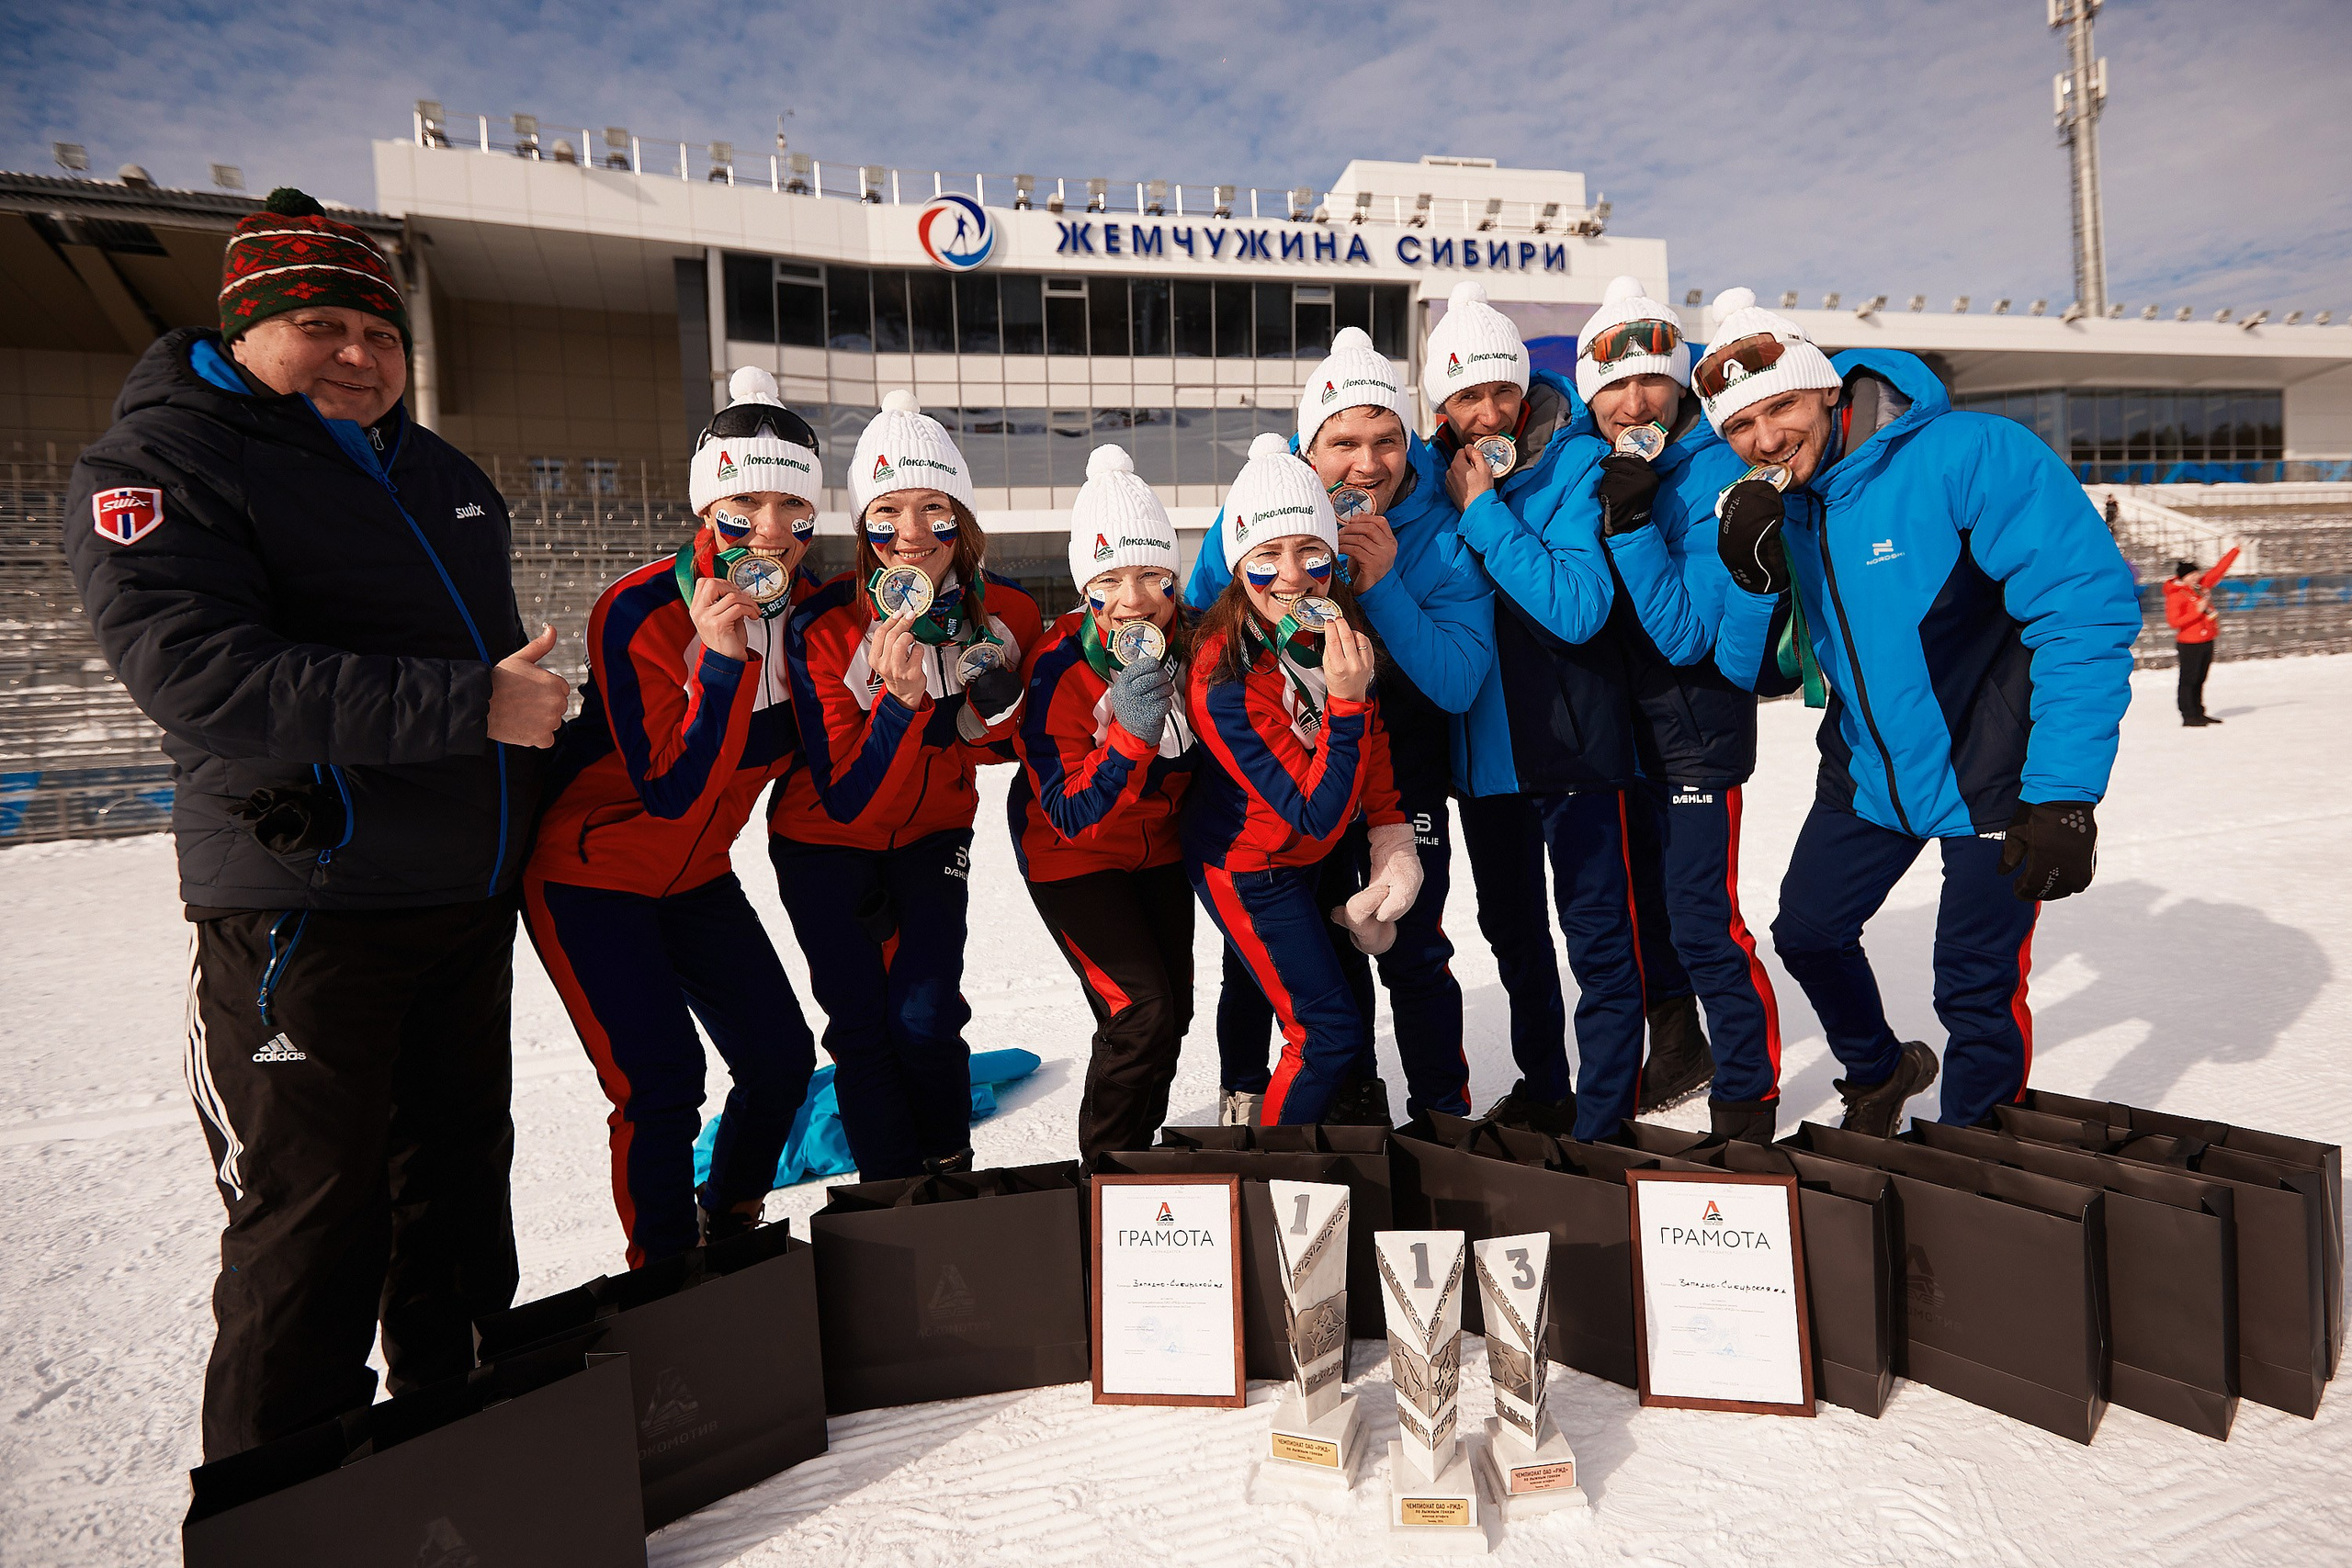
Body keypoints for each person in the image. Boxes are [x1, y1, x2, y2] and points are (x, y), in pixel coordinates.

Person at [62, 188, 568, 1459]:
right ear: (244, 329)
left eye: (381, 333)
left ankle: (464, 1455)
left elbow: (505, 681)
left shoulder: (439, 473)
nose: (359, 354)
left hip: (459, 901)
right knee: (310, 1219)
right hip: (308, 903)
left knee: (455, 1195)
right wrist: (473, 704)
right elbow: (200, 674)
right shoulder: (163, 461)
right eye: (322, 325)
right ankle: (282, 1503)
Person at [1701, 287, 2141, 1133]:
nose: (1765, 439)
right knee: (1809, 931)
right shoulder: (1778, 507)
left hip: (1991, 767)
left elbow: (2085, 611)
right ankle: (1880, 1070)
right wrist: (1753, 578)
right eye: (1740, 426)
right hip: (1869, 770)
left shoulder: (1970, 452)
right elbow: (1756, 675)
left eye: (1781, 407)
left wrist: (2064, 791)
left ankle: (1975, 1156)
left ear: (1826, 387)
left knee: (1975, 988)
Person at [522, 367, 822, 1267]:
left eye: (793, 508)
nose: (770, 531)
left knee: (780, 1059)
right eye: (744, 507)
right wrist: (722, 663)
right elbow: (671, 790)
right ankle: (664, 1277)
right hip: (590, 875)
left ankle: (726, 1218)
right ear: (707, 508)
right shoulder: (641, 608)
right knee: (660, 1082)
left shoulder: (813, 616)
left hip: (695, 877)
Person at [1183, 327, 1494, 1126]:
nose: (1367, 464)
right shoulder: (1266, 512)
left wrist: (1382, 586)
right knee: (1305, 952)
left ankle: (1441, 1115)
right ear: (1308, 447)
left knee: (1411, 943)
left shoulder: (1444, 527)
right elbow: (1203, 622)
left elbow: (1458, 682)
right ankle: (1336, 1100)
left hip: (1397, 762)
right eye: (1343, 443)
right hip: (1290, 774)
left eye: (1386, 440)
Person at [771, 392, 1042, 1179]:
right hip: (822, 840)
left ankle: (949, 1179)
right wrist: (900, 705)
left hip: (933, 835)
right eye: (887, 512)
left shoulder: (1010, 612)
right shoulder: (825, 625)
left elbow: (1015, 744)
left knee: (926, 1017)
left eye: (934, 509)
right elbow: (851, 797)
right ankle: (890, 1200)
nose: (913, 533)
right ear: (863, 526)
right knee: (861, 1029)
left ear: (964, 519)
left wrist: (994, 719)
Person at [1437, 281, 1651, 1141]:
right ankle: (1546, 1088)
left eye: (1503, 390)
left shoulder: (1575, 465)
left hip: (1575, 749)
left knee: (1597, 940)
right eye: (1468, 395)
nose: (1490, 412)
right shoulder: (1430, 475)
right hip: (1484, 761)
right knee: (1514, 937)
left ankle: (1604, 1118)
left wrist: (1483, 512)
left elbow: (1577, 606)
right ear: (1442, 404)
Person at [1577, 276, 1789, 1143]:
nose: (1635, 402)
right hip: (1618, 736)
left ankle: (1747, 1099)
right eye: (1615, 386)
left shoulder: (1715, 471)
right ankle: (1676, 1049)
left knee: (1704, 921)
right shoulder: (1596, 462)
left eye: (1653, 381)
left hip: (1697, 732)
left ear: (1680, 385)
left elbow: (1688, 636)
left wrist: (1631, 527)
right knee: (1644, 916)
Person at [1183, 434, 1419, 1126]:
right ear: (1238, 567)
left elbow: (1373, 740)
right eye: (1267, 558)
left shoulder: (1333, 623)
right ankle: (1268, 1163)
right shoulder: (1222, 673)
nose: (1293, 577)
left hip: (1313, 857)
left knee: (1305, 990)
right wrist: (1344, 700)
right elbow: (1313, 809)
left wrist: (1389, 832)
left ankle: (1305, 1115)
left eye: (1311, 552)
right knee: (1324, 1030)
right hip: (1250, 865)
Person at [1012, 446, 1198, 1164]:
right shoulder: (1057, 665)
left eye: (1152, 575)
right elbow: (1068, 811)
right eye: (1109, 580)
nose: (1133, 599)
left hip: (1160, 850)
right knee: (1139, 1008)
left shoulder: (1194, 643)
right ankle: (1107, 1173)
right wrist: (1131, 734)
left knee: (1172, 1012)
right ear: (1085, 590)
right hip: (1072, 858)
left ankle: (1139, 1156)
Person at [2165, 547, 2240, 726]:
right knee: (2189, 680)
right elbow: (2174, 622)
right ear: (2183, 577)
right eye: (2192, 575)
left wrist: (2236, 550)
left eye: (2197, 574)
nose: (2196, 577)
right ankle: (2188, 715)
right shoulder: (2176, 596)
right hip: (2189, 643)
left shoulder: (2200, 588)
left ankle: (2199, 712)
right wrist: (2197, 611)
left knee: (2200, 679)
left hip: (2206, 640)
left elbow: (2218, 570)